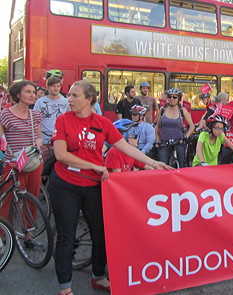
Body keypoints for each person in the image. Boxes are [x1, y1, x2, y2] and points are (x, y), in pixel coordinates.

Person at [49, 81, 171, 295]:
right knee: (67, 236)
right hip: (65, 185)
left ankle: (98, 277)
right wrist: (94, 165)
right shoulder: (63, 120)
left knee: (101, 234)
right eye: (69, 95)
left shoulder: (103, 123)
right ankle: (65, 288)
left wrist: (154, 163)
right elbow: (61, 155)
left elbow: (126, 148)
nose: (69, 99)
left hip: (93, 186)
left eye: (75, 96)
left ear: (89, 100)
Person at [0, 81, 43, 230]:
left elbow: (39, 137)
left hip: (33, 162)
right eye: (28, 92)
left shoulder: (35, 115)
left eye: (33, 92)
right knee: (7, 200)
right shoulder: (5, 114)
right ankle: (3, 235)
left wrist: (39, 141)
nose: (32, 95)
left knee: (32, 198)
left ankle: (29, 232)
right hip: (13, 163)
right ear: (18, 94)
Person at [155, 88, 194, 168]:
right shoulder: (162, 110)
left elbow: (192, 126)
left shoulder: (182, 110)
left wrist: (186, 137)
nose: (171, 99)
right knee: (163, 166)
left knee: (181, 165)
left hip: (178, 141)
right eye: (169, 97)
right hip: (164, 142)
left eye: (174, 97)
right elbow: (157, 126)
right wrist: (157, 140)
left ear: (178, 99)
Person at [33, 76, 69, 162]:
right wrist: (38, 137)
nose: (56, 88)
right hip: (45, 140)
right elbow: (35, 120)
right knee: (44, 165)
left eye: (58, 86)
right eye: (53, 86)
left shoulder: (66, 101)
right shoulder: (40, 102)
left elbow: (70, 118)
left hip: (61, 139)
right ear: (48, 87)